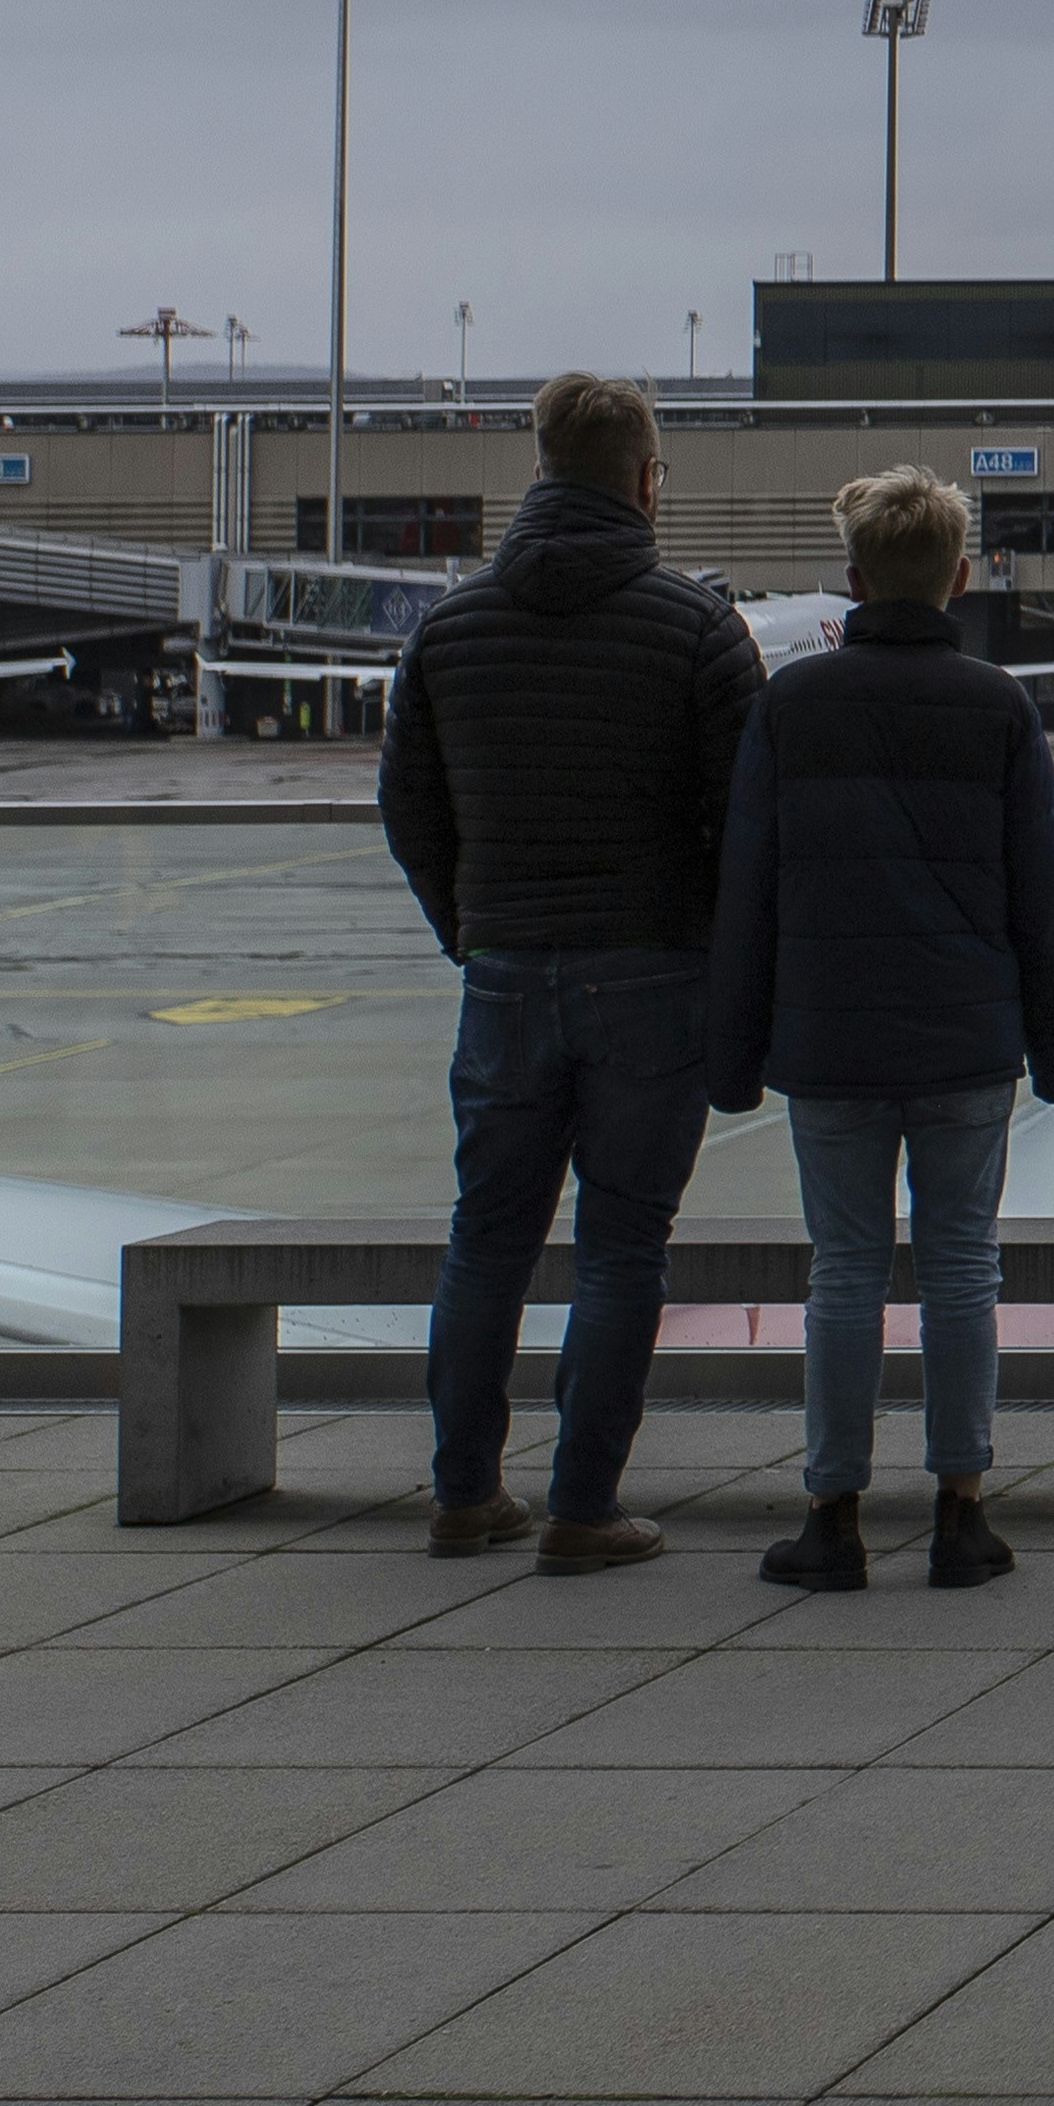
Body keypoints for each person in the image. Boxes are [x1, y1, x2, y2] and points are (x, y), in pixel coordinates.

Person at [382, 368, 765, 1569]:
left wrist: (471, 922)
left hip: (504, 971)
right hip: (652, 975)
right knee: (621, 1247)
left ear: (539, 468)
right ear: (647, 478)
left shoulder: (448, 626)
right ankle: (584, 1504)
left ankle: (462, 1491)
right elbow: (750, 813)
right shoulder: (698, 626)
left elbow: (409, 806)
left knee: (485, 1236)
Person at [705, 463, 1054, 1593]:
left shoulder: (789, 705)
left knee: (844, 1272)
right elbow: (1043, 894)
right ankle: (962, 1512)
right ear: (958, 576)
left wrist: (733, 1056)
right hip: (969, 1040)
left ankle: (832, 1516)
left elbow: (750, 891)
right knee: (964, 1269)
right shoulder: (1001, 705)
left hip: (830, 1045)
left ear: (855, 575)